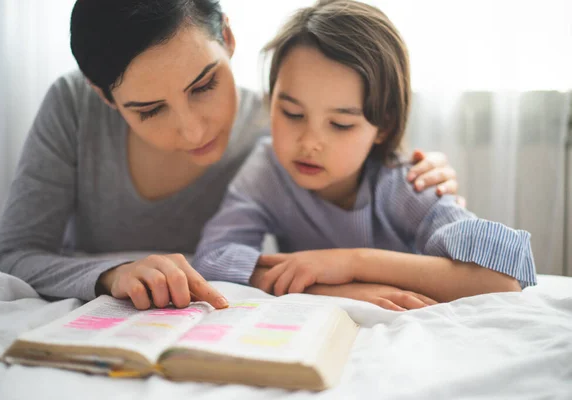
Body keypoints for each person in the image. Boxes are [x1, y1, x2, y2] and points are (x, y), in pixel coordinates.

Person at [0, 0, 462, 310]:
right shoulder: (74, 105)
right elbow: (12, 255)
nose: (194, 129)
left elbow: (366, 140)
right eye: (150, 110)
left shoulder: (282, 126)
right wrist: (111, 273)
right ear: (105, 96)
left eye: (205, 84)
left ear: (229, 40)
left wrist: (420, 172)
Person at [193, 0, 537, 309]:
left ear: (383, 127)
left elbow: (500, 282)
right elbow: (214, 257)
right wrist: (324, 289)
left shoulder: (405, 182)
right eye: (292, 114)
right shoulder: (267, 168)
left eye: (341, 124)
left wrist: (350, 263)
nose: (310, 142)